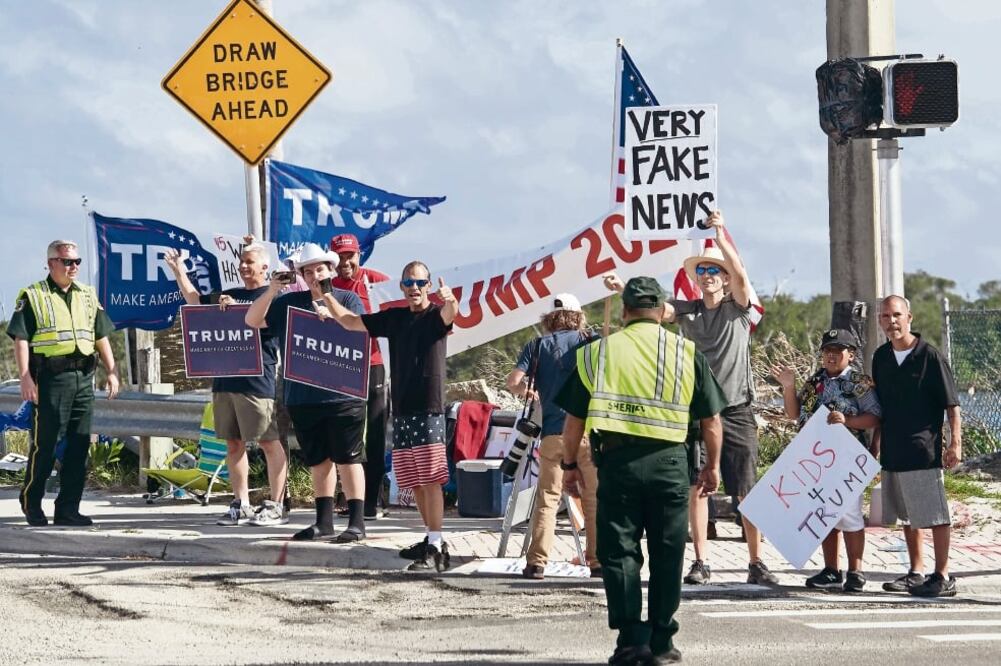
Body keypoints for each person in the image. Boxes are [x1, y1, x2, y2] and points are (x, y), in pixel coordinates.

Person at [604, 210, 778, 587]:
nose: (707, 275)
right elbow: (655, 309)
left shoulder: (739, 308)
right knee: (697, 487)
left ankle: (756, 560)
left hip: (736, 409)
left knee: (746, 490)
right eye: (702, 271)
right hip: (696, 412)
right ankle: (701, 561)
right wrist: (622, 289)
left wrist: (720, 234)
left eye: (714, 271)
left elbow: (741, 275)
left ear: (725, 279)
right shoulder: (689, 311)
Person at [558, 277, 726, 666]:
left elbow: (573, 422)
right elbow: (712, 421)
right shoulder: (686, 352)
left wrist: (569, 466)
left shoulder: (597, 353)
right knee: (668, 553)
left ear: (625, 311)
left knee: (619, 553)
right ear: (662, 311)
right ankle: (662, 643)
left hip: (618, 464)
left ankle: (632, 642)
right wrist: (713, 467)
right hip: (670, 464)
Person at [320, 260, 458, 571]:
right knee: (415, 482)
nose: (414, 288)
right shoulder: (394, 317)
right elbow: (351, 322)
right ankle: (430, 537)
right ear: (402, 286)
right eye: (409, 283)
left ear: (429, 285)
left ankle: (437, 545)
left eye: (420, 283)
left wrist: (450, 299)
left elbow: (451, 313)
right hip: (403, 409)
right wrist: (327, 294)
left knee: (431, 479)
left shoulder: (436, 315)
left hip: (429, 408)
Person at [245, 243, 368, 543]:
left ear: (331, 270)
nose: (315, 276)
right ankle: (323, 522)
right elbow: (252, 321)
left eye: (320, 270)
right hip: (303, 396)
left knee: (348, 458)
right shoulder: (289, 303)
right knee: (318, 460)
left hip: (343, 394)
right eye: (308, 271)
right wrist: (272, 290)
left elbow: (361, 331)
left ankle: (356, 523)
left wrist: (331, 313)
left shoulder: (347, 298)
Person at [165, 241, 288, 527]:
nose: (244, 266)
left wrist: (241, 309)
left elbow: (264, 322)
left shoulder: (275, 297)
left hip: (257, 381)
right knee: (233, 443)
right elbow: (195, 302)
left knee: (269, 441)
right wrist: (179, 271)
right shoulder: (228, 294)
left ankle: (277, 504)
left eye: (249, 261)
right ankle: (241, 503)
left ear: (265, 266)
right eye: (241, 261)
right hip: (224, 379)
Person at [8, 240, 120, 526]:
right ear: (51, 263)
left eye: (77, 262)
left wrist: (112, 370)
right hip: (51, 379)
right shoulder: (34, 295)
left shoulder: (87, 294)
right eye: (68, 262)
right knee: (46, 445)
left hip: (83, 378)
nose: (74, 267)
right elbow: (21, 339)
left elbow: (100, 335)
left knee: (79, 446)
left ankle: (68, 508)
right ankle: (32, 502)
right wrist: (25, 377)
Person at [771, 329, 881, 592]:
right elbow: (793, 414)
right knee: (823, 514)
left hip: (847, 460)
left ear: (850, 354)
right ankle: (831, 569)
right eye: (827, 350)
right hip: (814, 461)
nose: (831, 355)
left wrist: (848, 421)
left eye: (837, 350)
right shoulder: (814, 381)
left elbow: (876, 416)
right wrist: (789, 386)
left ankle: (856, 571)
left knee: (850, 515)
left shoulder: (860, 383)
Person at [505, 293, 600, 580]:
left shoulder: (536, 345)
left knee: (547, 499)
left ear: (550, 318)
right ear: (578, 315)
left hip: (552, 433)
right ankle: (597, 561)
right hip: (587, 433)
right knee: (593, 499)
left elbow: (513, 382)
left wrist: (528, 392)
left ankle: (536, 563)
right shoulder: (590, 341)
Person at [873, 295, 962, 598]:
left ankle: (943, 575)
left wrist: (955, 443)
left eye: (897, 315)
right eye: (886, 316)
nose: (892, 321)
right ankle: (916, 572)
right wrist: (875, 443)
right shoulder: (881, 357)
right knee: (907, 515)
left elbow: (952, 405)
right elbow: (880, 407)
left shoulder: (931, 356)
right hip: (893, 449)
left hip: (923, 449)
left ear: (909, 317)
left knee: (934, 514)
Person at [329, 234, 392, 519]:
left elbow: (400, 305)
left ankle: (374, 499)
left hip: (374, 363)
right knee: (345, 430)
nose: (345, 262)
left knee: (375, 432)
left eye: (350, 256)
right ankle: (350, 496)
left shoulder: (376, 280)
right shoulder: (328, 286)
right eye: (340, 257)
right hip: (340, 365)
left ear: (359, 255)